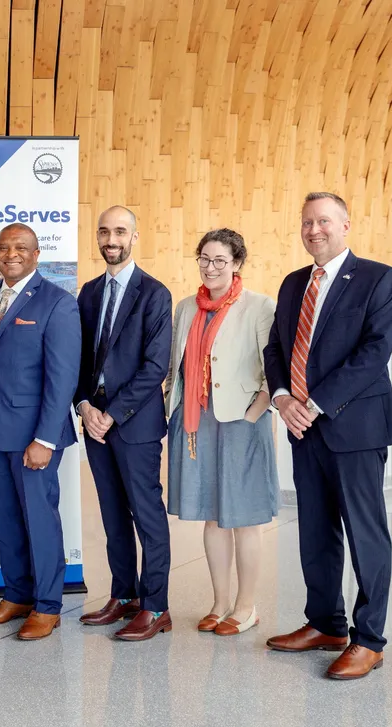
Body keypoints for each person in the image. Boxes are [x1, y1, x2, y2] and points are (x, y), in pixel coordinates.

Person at [262, 192, 392, 680]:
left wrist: (315, 404)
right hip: (303, 428)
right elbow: (276, 347)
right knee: (315, 532)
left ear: (346, 223)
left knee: (366, 534)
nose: (314, 229)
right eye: (306, 222)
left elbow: (374, 351)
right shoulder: (292, 283)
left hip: (354, 426)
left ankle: (370, 640)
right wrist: (283, 399)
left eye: (324, 220)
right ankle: (325, 623)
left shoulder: (379, 278)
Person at [0, 223, 82, 640]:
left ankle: (48, 605)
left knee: (40, 519)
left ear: (37, 254)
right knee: (5, 519)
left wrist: (46, 439)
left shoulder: (57, 303)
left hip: (34, 436)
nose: (11, 254)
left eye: (21, 247)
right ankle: (17, 593)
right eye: (3, 247)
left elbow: (62, 377)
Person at [166, 228, 279, 637]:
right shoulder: (185, 308)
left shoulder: (259, 306)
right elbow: (174, 368)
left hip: (241, 422)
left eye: (220, 261)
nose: (210, 268)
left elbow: (274, 367)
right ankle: (218, 602)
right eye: (204, 259)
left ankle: (246, 607)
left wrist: (254, 413)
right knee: (212, 517)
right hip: (197, 422)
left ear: (236, 265)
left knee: (245, 518)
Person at [74, 206, 173, 641]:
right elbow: (79, 359)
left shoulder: (155, 294)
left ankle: (155, 606)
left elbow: (156, 367)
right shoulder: (89, 293)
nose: (110, 239)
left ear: (134, 236)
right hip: (95, 424)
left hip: (134, 425)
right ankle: (124, 595)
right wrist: (82, 405)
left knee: (146, 516)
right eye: (103, 231)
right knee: (113, 516)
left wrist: (112, 413)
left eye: (119, 231)